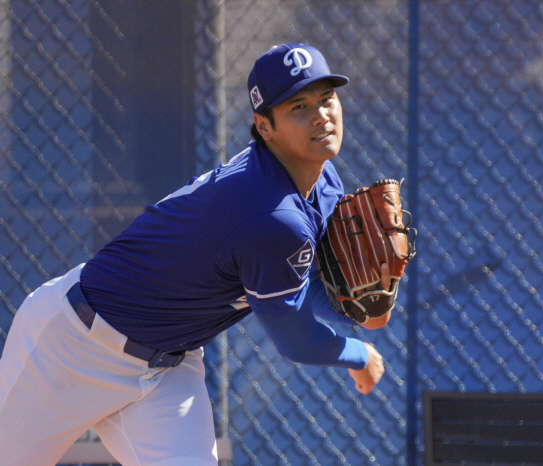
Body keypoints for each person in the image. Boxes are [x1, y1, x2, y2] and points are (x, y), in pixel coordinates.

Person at [0, 43, 391, 466]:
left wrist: (356, 310)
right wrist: (359, 352)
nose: (321, 115)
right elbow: (296, 340)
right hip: (73, 348)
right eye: (298, 106)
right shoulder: (273, 218)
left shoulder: (321, 180)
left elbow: (302, 285)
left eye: (326, 97)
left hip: (167, 367)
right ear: (264, 126)